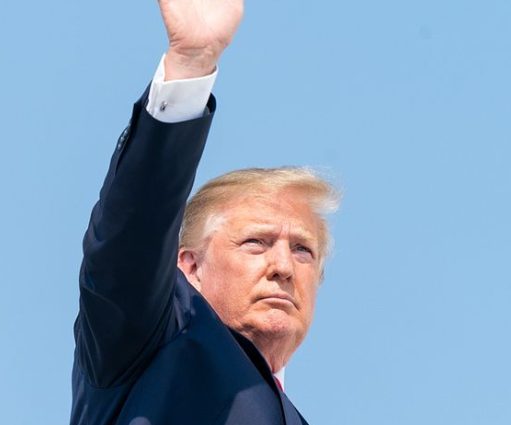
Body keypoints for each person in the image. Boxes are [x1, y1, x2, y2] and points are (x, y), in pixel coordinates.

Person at [70, 1, 338, 423]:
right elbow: (133, 235)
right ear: (188, 266)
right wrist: (191, 65)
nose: (283, 266)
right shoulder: (155, 338)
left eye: (304, 250)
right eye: (256, 242)